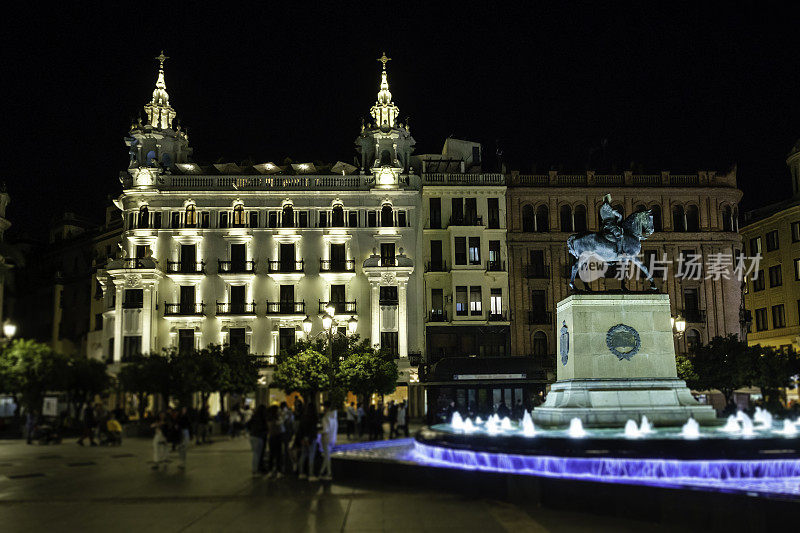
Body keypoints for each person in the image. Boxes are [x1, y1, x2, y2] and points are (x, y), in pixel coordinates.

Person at [296, 403, 319, 480]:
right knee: (311, 456)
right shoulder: (314, 417)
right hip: (311, 439)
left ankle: (301, 473)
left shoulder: (303, 417)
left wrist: (302, 439)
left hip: (304, 438)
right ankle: (311, 474)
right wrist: (310, 439)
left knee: (303, 455)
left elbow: (300, 429)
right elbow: (313, 430)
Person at [318, 401, 338, 480]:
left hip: (326, 439)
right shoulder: (334, 417)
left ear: (326, 407)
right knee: (327, 456)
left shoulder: (325, 418)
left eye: (323, 406)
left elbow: (325, 430)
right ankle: (322, 472)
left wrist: (318, 432)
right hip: (332, 438)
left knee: (327, 457)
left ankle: (329, 473)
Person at [247, 405, 268, 476]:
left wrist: (251, 430)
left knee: (255, 453)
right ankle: (255, 470)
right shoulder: (263, 418)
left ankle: (255, 469)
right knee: (257, 454)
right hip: (259, 436)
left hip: (252, 436)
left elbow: (247, 424)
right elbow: (265, 427)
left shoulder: (254, 416)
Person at [265, 405, 284, 478]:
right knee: (278, 455)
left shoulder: (269, 419)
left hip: (271, 438)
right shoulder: (277, 420)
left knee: (272, 455)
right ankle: (278, 471)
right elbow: (281, 429)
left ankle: (270, 471)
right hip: (277, 437)